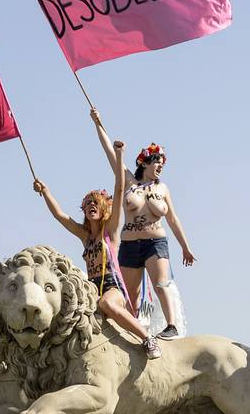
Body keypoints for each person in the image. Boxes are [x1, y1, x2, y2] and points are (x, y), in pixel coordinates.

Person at [32, 108, 161, 359]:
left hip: (112, 286)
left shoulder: (110, 231)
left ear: (103, 209)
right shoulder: (84, 235)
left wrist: (121, 155)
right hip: (90, 288)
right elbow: (60, 215)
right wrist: (45, 191)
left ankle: (148, 339)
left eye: (96, 203)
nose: (91, 205)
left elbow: (119, 185)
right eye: (87, 203)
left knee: (107, 304)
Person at [119, 141, 195, 340]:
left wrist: (185, 247)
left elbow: (172, 218)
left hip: (155, 243)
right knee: (131, 298)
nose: (160, 166)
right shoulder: (129, 182)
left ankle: (171, 326)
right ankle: (132, 332)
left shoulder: (162, 189)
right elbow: (111, 154)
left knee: (161, 284)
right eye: (157, 162)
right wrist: (97, 123)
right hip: (129, 246)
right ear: (145, 163)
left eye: (162, 164)